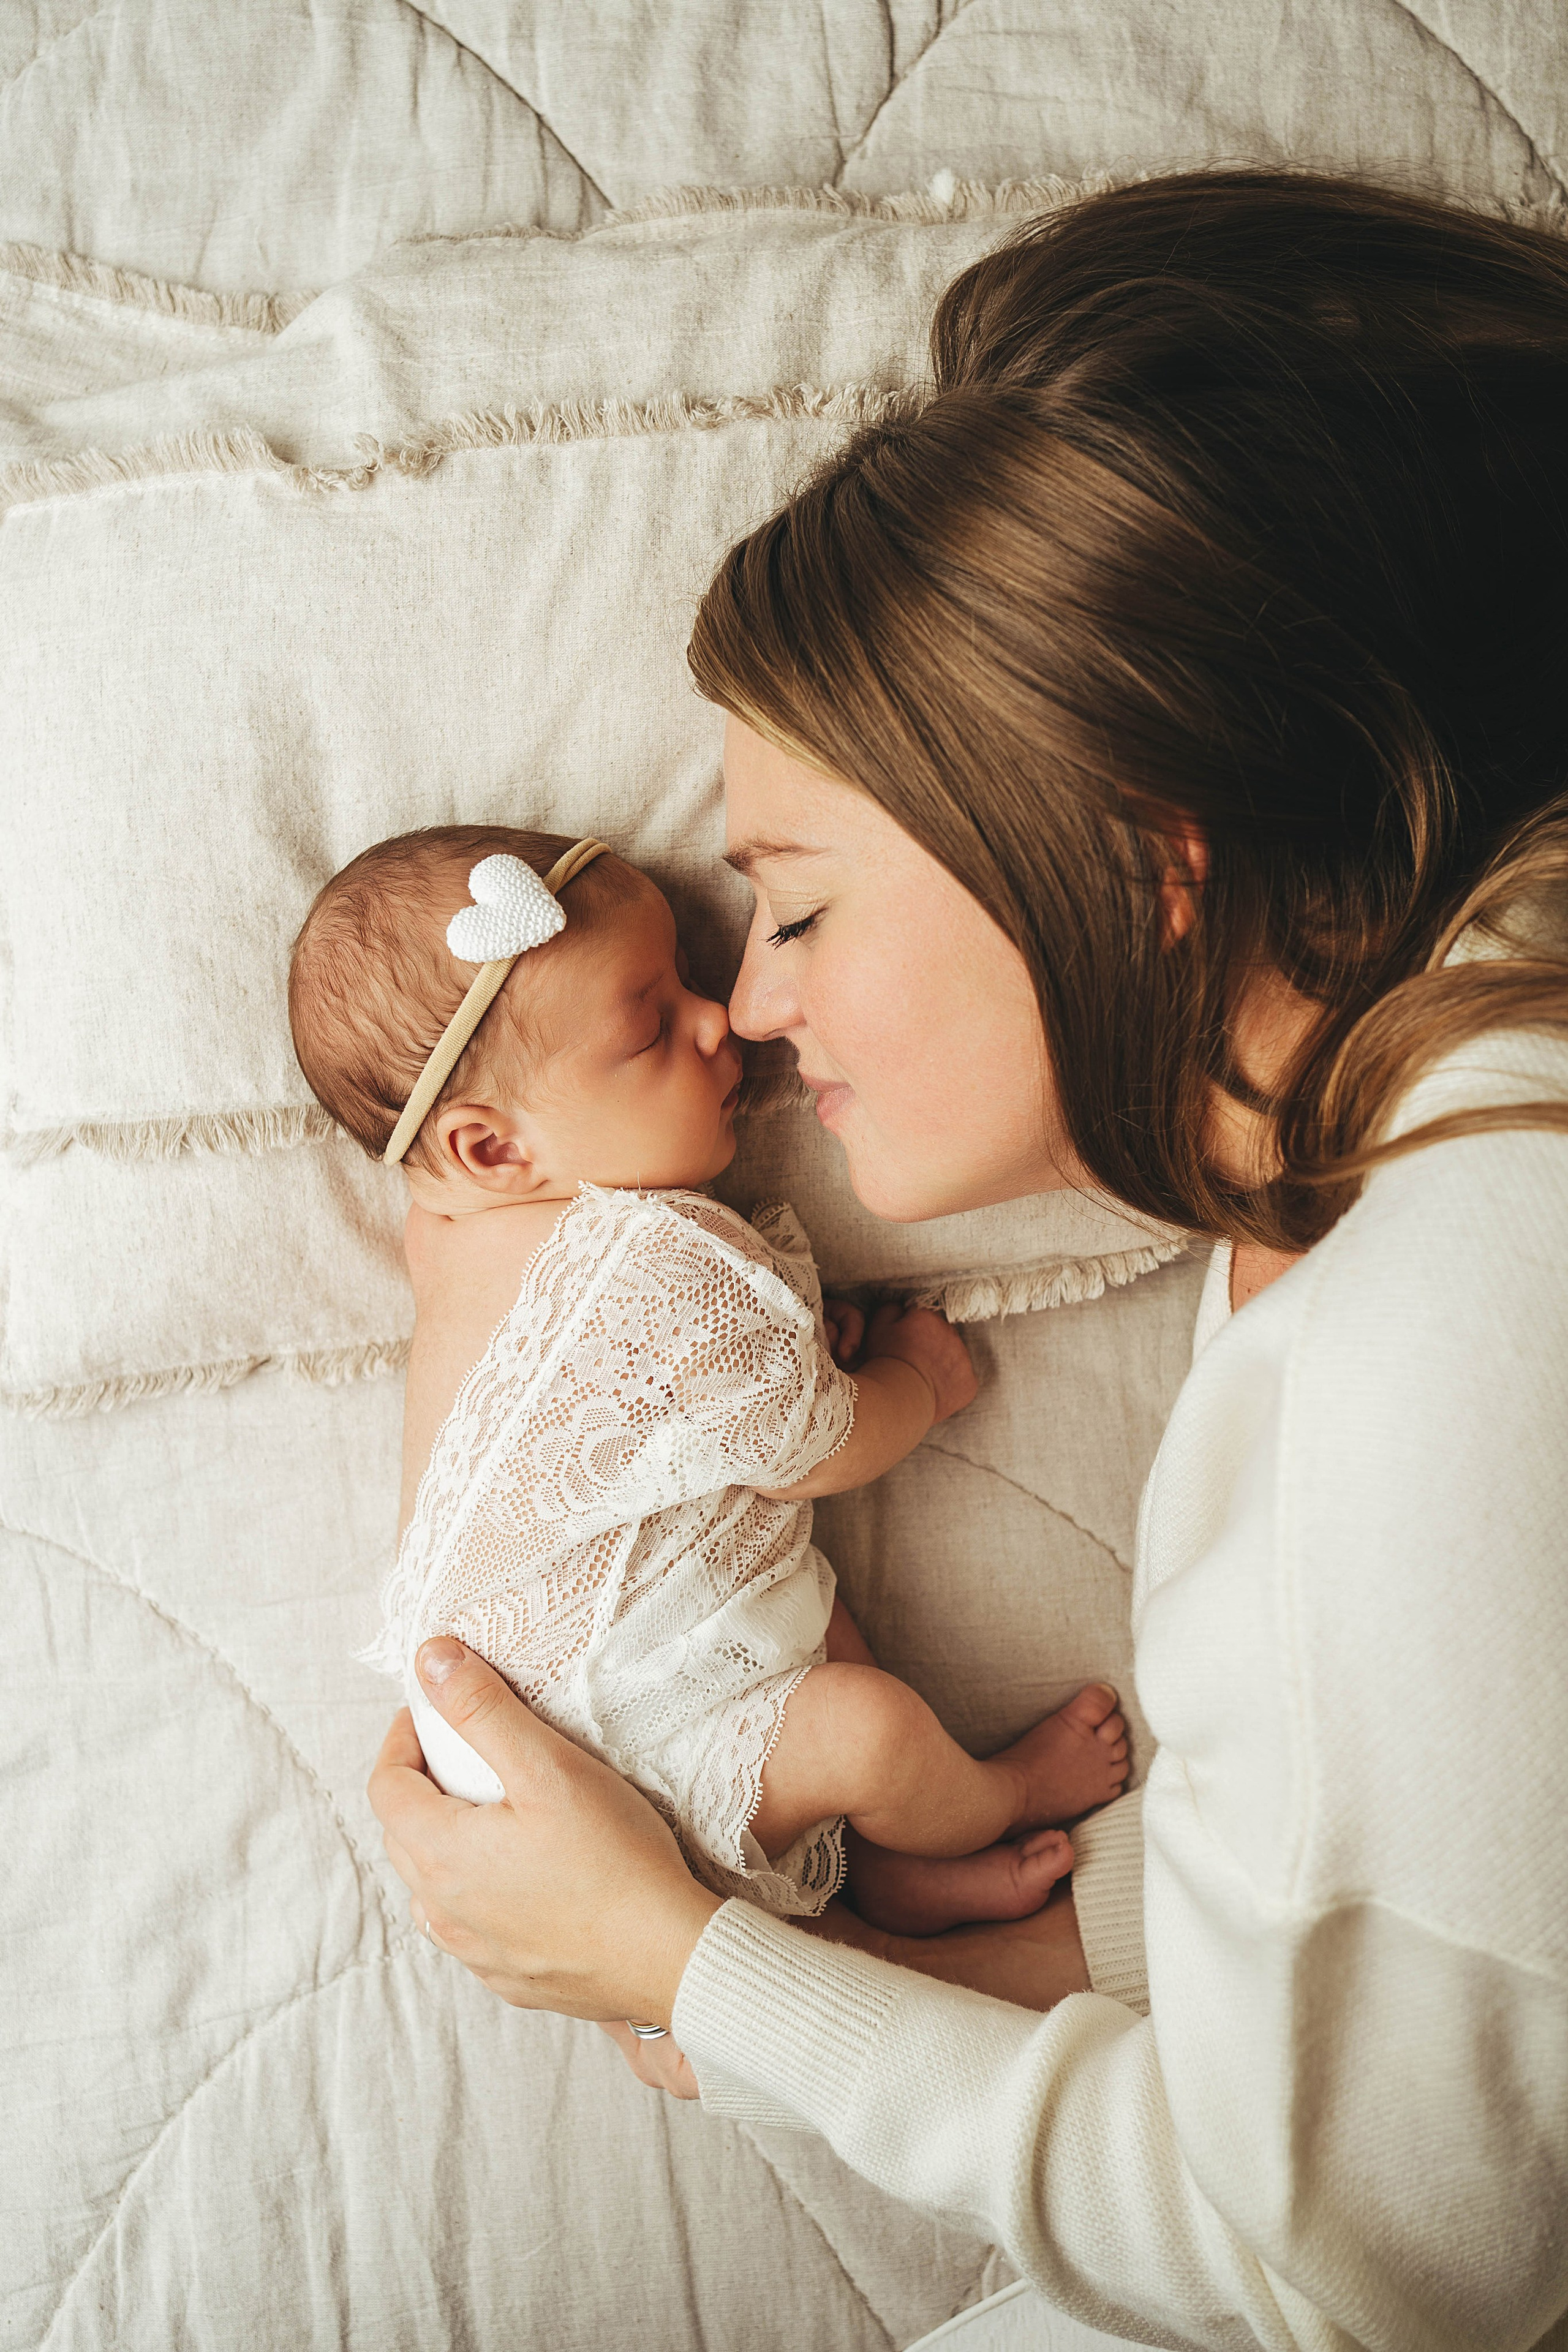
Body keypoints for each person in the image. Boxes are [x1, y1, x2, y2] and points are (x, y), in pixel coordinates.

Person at [370, 170, 1568, 2350]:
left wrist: (694, 1970)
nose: (759, 1006)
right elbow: (1420, 1933)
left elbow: (1377, 2287)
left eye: (801, 903)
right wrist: (888, 1977)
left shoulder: (1437, 1334)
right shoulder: (1405, 1155)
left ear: (1140, 854)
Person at [293, 824, 1126, 1932]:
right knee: (863, 1727)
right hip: (614, 1746)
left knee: (790, 1600)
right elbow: (816, 1450)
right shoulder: (654, 1262)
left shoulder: (446, 1232)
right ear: (491, 1149)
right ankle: (998, 1797)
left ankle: (890, 1871)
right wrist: (911, 1380)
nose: (718, 1018)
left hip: (501, 1733)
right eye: (650, 1028)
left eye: (688, 978)